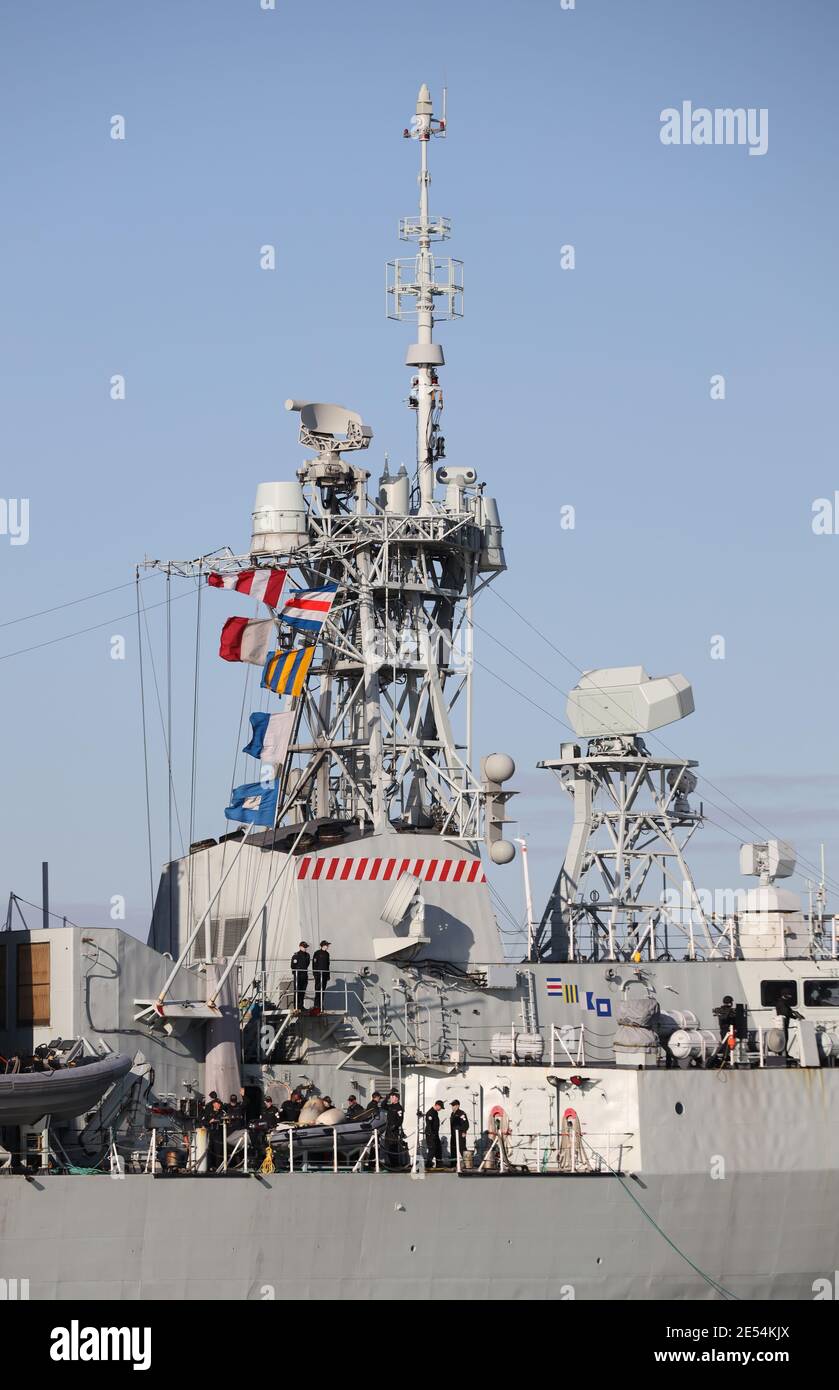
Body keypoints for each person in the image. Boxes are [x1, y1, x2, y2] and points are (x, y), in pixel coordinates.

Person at [776, 989, 803, 1059]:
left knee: (785, 1038)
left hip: (784, 1024)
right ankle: (782, 1053)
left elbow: (788, 1011)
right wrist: (795, 1015)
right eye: (788, 995)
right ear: (784, 995)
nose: (789, 996)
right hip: (782, 1024)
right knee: (784, 1038)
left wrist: (795, 1015)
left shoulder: (783, 1002)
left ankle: (784, 1053)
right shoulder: (781, 1002)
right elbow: (786, 1012)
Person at [384, 1090, 405, 1170]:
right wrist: (387, 1097)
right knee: (387, 1146)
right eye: (391, 1097)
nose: (391, 1098)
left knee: (393, 1147)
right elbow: (383, 1105)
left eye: (392, 1097)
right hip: (388, 1129)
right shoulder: (390, 1106)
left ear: (397, 1098)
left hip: (394, 1130)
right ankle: (390, 1163)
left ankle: (394, 1164)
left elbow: (400, 1120)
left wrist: (395, 1126)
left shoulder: (399, 1108)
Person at [312, 940, 331, 1015]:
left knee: (323, 990)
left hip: (325, 974)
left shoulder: (327, 954)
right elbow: (314, 964)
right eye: (326, 945)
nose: (328, 946)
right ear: (323, 945)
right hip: (318, 974)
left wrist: (328, 974)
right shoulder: (317, 953)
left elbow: (327, 965)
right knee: (318, 989)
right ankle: (316, 1005)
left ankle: (321, 1004)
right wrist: (315, 973)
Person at [290, 941, 310, 1012]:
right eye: (304, 947)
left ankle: (301, 1005)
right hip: (298, 975)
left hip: (304, 975)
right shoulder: (296, 955)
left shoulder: (307, 955)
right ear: (300, 947)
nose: (305, 948)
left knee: (302, 991)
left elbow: (307, 964)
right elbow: (292, 965)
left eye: (306, 947)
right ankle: (296, 1006)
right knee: (297, 991)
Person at [424, 1099, 444, 1169]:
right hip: (431, 1134)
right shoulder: (430, 1113)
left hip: (435, 1134)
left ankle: (439, 1164)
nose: (440, 1109)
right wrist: (431, 1134)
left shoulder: (435, 1112)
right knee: (432, 1149)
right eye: (440, 1107)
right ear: (437, 1105)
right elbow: (429, 1124)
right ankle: (428, 1165)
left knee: (438, 1148)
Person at [449, 1099, 469, 1167]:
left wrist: (464, 1131)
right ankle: (453, 1165)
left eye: (454, 1105)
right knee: (453, 1150)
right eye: (452, 1105)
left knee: (462, 1149)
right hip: (453, 1135)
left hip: (460, 1135)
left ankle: (467, 1164)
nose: (452, 1107)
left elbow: (466, 1124)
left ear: (458, 1106)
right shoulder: (452, 1114)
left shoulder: (461, 1113)